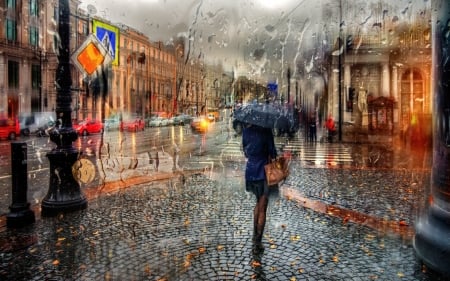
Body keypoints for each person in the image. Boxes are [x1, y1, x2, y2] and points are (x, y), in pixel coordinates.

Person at [242, 123, 277, 252]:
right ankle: (258, 242)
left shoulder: (246, 131)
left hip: (250, 172)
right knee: (262, 207)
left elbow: (245, 152)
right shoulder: (266, 130)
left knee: (258, 203)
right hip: (263, 173)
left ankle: (254, 235)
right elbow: (273, 153)